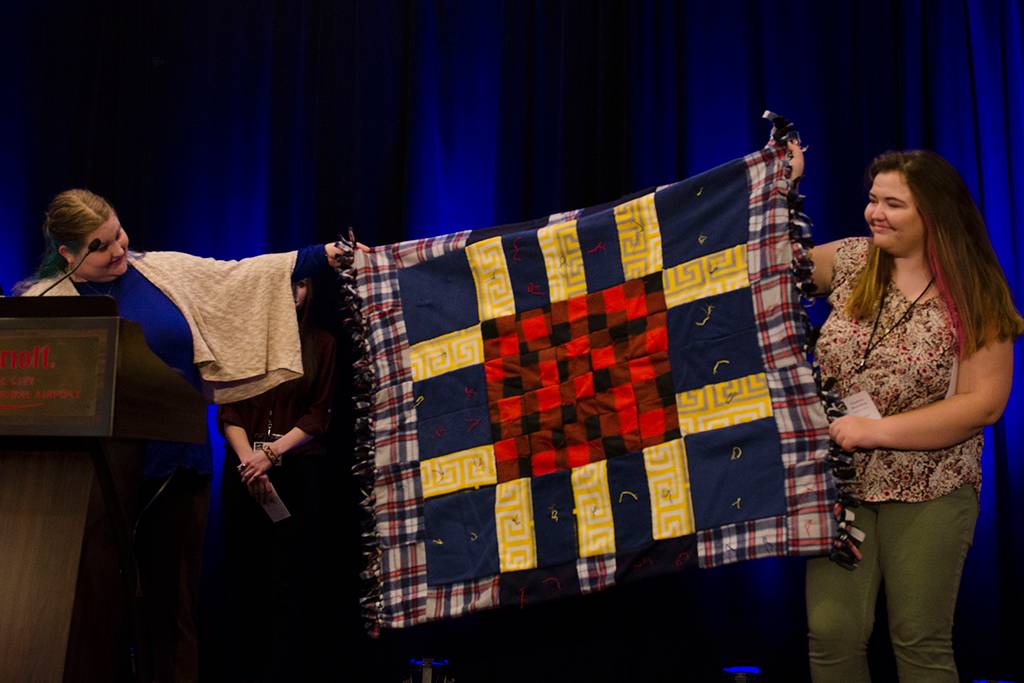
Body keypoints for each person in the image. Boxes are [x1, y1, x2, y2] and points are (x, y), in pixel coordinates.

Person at [17, 188, 347, 683]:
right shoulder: (43, 304)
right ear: (67, 253)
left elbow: (241, 276)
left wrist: (321, 255)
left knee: (171, 615)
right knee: (93, 615)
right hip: (89, 485)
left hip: (175, 471)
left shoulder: (162, 273)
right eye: (101, 246)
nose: (119, 249)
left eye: (119, 234)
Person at [796, 146, 1023, 681]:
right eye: (873, 199)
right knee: (831, 634)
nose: (875, 213)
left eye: (893, 204)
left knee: (919, 640)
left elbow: (983, 404)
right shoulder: (853, 260)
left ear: (933, 214)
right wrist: (785, 183)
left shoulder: (974, 293)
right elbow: (767, 264)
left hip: (931, 486)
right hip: (842, 486)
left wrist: (874, 432)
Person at [218, 276, 336, 682]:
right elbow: (228, 411)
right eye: (282, 283)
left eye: (300, 284)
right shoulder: (242, 339)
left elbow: (318, 416)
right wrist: (249, 461)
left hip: (297, 471)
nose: (292, 293)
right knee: (242, 577)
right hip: (243, 470)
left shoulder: (322, 343)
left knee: (290, 581)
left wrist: (270, 454)